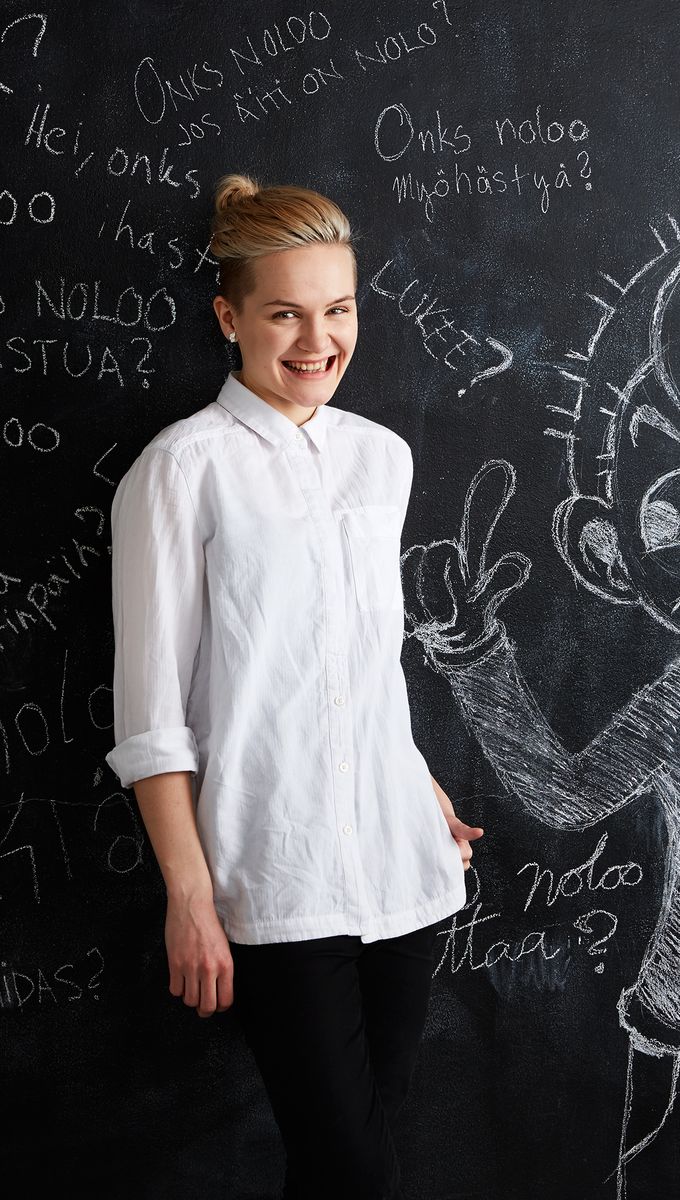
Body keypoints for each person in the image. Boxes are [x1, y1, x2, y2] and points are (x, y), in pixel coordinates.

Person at [104, 173, 483, 1199]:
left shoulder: (382, 460)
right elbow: (151, 717)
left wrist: (417, 782)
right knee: (355, 1173)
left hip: (402, 864)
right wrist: (190, 897)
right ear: (228, 318)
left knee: (346, 1169)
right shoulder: (180, 471)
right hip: (274, 876)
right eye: (284, 314)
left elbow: (358, 661)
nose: (318, 341)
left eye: (338, 309)